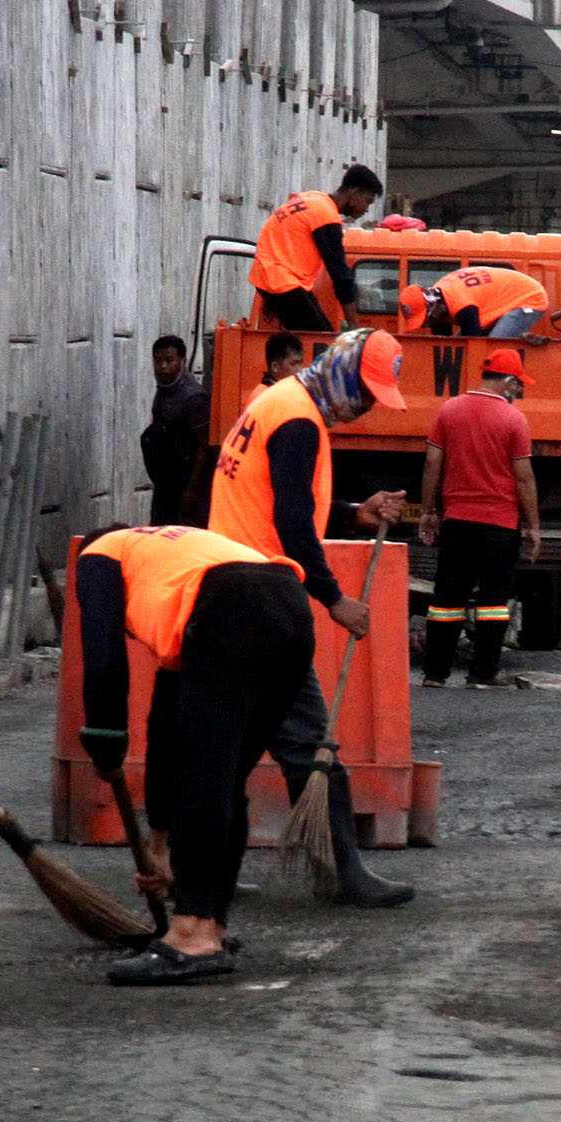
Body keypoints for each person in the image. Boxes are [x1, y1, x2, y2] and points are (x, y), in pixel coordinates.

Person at [210, 327, 418, 907]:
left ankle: (200, 868)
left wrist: (355, 511)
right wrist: (335, 600)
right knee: (308, 742)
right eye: (366, 392)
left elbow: (280, 502)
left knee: (237, 743)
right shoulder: (299, 421)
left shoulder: (280, 403)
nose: (365, 406)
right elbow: (294, 526)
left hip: (229, 585)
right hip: (261, 593)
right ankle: (346, 873)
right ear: (345, 370)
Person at [76, 525, 313, 986]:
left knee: (205, 779)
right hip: (290, 607)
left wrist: (104, 741)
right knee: (224, 778)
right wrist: (159, 845)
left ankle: (192, 937)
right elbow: (165, 729)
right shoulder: (172, 559)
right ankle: (211, 923)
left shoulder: (99, 556)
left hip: (229, 610)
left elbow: (104, 660)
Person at [417, 348, 541, 687]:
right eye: (517, 385)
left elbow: (432, 465)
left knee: (446, 599)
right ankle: (482, 674)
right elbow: (523, 478)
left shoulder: (449, 410)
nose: (518, 391)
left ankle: (434, 674)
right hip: (500, 525)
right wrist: (532, 526)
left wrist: (429, 512)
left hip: (457, 521)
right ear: (508, 381)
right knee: (493, 601)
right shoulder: (514, 420)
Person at [248, 165, 383, 333]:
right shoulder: (326, 216)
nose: (366, 209)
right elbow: (339, 274)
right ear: (353, 193)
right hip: (282, 282)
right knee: (319, 341)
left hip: (273, 278)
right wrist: (354, 327)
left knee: (321, 334)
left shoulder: (313, 199)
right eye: (367, 201)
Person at [140, 334, 212, 526]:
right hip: (166, 485)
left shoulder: (193, 398)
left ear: (182, 361)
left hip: (185, 488)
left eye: (169, 360)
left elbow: (205, 448)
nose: (163, 366)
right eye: (158, 361)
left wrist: (192, 491)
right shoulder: (166, 388)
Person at [398, 265, 549, 340]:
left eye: (425, 320)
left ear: (432, 310)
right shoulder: (440, 301)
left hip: (529, 298)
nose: (425, 325)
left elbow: (473, 346)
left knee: (492, 346)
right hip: (502, 297)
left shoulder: (462, 306)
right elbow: (446, 344)